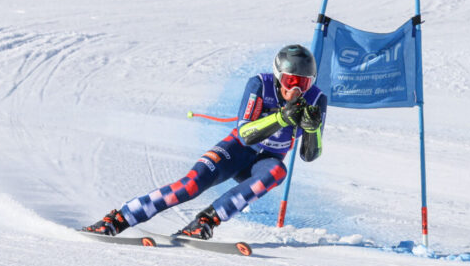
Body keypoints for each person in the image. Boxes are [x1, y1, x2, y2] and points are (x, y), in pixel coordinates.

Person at [82, 44, 327, 240]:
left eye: (303, 83)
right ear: (278, 76)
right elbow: (244, 134)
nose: (295, 90)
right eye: (290, 81)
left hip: (264, 162)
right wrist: (280, 118)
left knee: (277, 171)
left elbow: (309, 155)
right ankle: (119, 218)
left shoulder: (316, 100)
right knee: (190, 187)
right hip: (237, 151)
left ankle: (206, 220)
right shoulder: (260, 84)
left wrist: (312, 130)